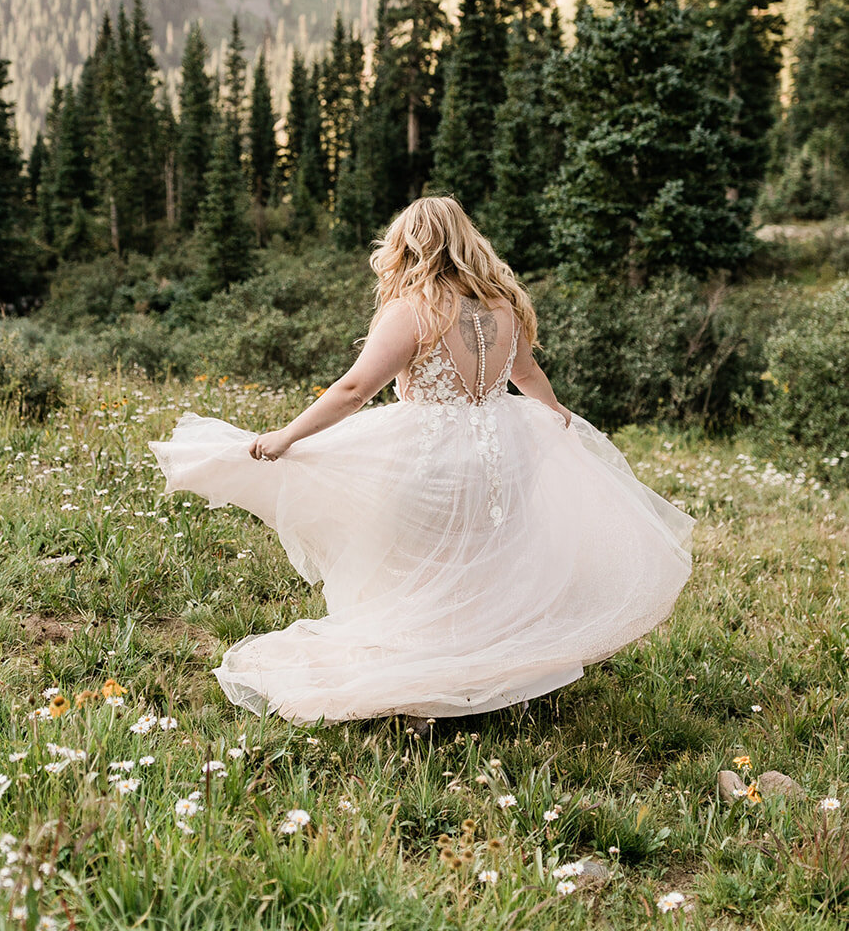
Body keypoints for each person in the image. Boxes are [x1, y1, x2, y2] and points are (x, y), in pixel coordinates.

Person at [149, 195, 693, 726]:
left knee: (421, 565)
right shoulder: (504, 305)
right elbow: (525, 376)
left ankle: (429, 685)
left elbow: (356, 388)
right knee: (489, 562)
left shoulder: (414, 309)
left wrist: (287, 435)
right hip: (504, 452)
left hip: (433, 456)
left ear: (410, 247)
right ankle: (494, 679)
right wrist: (556, 415)